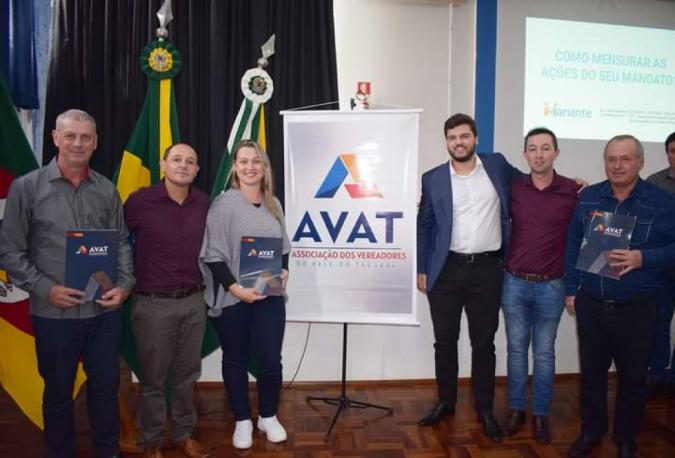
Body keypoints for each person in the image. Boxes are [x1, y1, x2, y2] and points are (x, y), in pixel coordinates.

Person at [0, 109, 134, 458]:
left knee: (105, 389)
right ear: (56, 138)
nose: (78, 143)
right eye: (70, 136)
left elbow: (121, 242)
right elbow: (9, 251)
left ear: (95, 142)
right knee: (58, 393)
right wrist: (46, 288)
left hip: (103, 313)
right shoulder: (26, 188)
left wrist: (124, 285)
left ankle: (108, 452)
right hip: (53, 315)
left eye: (85, 137)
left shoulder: (106, 190)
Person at [564, 135, 675, 458]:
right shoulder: (590, 198)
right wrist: (570, 290)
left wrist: (644, 258)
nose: (617, 165)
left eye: (625, 159)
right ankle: (591, 431)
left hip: (638, 308)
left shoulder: (662, 201)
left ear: (640, 162)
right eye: (611, 159)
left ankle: (626, 439)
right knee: (591, 376)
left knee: (633, 379)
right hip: (592, 304)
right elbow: (573, 243)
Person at [416, 113, 519, 442]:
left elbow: (532, 184)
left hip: (488, 270)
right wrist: (422, 268)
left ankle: (484, 408)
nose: (458, 143)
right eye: (452, 138)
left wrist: (571, 184)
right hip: (446, 270)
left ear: (475, 138)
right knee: (445, 341)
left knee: (484, 343)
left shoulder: (497, 166)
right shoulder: (433, 178)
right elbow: (424, 225)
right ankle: (446, 401)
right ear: (446, 142)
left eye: (464, 136)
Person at [199, 140, 290, 450]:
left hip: (269, 296)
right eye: (243, 161)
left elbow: (283, 247)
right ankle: (241, 419)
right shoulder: (223, 205)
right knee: (235, 359)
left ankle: (267, 415)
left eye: (256, 161)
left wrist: (284, 270)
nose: (250, 167)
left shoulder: (273, 203)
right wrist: (236, 289)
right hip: (233, 297)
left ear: (264, 166)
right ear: (235, 167)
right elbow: (213, 255)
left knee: (271, 360)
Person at [124, 143, 210, 458]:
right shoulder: (139, 202)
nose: (183, 165)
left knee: (186, 376)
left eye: (190, 161)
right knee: (153, 379)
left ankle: (184, 433)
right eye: (176, 159)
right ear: (163, 165)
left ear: (197, 170)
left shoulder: (204, 203)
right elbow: (117, 241)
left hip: (194, 302)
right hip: (152, 305)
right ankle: (151, 440)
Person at [500, 128, 579, 443]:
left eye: (546, 148)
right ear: (525, 154)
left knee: (544, 353)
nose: (539, 154)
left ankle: (541, 414)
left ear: (556, 153)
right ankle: (517, 409)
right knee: (516, 350)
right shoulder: (514, 188)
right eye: (532, 148)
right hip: (514, 283)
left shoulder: (573, 190)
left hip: (552, 286)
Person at [646, 131, 675, 397]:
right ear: (667, 154)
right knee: (659, 326)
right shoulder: (654, 182)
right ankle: (657, 375)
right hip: (663, 270)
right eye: (673, 151)